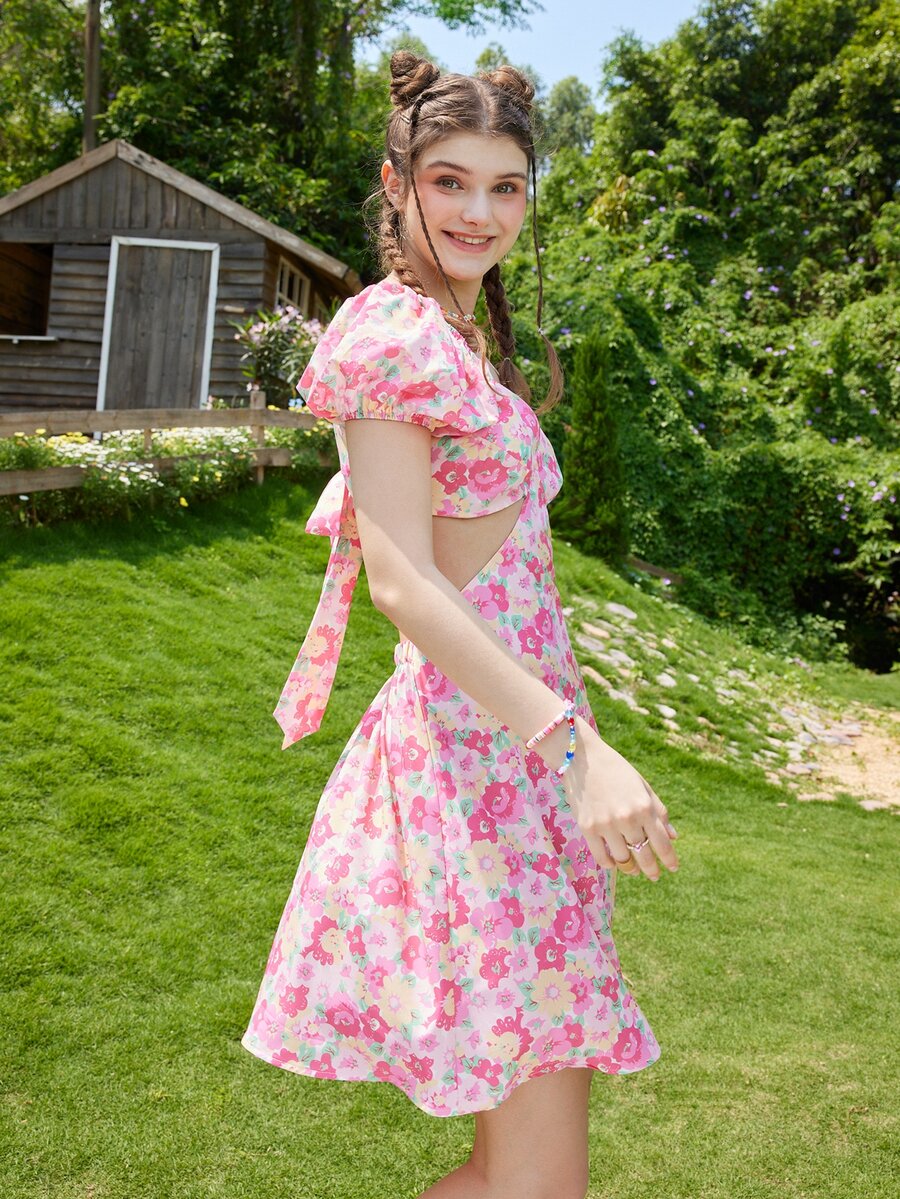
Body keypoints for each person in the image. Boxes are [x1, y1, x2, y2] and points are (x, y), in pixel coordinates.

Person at [241, 50, 680, 1199]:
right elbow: (405, 583)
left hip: (515, 768)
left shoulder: (462, 338)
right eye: (450, 181)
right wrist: (577, 750)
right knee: (534, 1179)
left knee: (520, 1173)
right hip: (475, 772)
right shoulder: (391, 335)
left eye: (505, 186)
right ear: (397, 184)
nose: (480, 212)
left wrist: (565, 750)